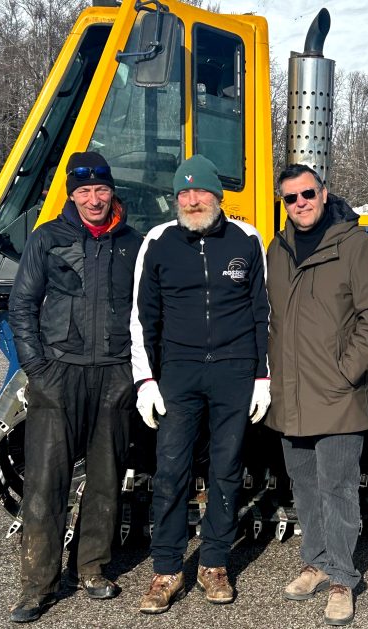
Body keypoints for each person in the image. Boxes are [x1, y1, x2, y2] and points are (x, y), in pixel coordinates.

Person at [7, 152, 143, 623]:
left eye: (100, 189)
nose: (93, 199)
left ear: (112, 191)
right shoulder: (48, 238)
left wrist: (134, 373)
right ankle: (37, 585)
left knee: (106, 480)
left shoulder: (133, 244)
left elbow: (150, 314)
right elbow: (21, 307)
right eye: (83, 191)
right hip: (58, 373)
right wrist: (37, 370)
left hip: (113, 374)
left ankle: (91, 568)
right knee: (45, 483)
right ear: (71, 195)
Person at [131, 154, 270, 614]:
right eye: (184, 193)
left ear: (218, 195)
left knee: (227, 469)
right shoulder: (158, 242)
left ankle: (213, 564)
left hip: (233, 370)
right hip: (179, 371)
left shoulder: (246, 240)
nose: (192, 200)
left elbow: (262, 314)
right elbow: (142, 317)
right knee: (171, 470)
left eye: (201, 192)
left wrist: (261, 376)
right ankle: (167, 570)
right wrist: (146, 379)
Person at [265, 164, 368, 626]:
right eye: (290, 198)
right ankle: (316, 562)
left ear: (323, 193)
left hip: (336, 394)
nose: (300, 203)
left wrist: (349, 368)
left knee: (338, 488)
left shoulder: (352, 244)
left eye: (307, 193)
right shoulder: (276, 250)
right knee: (303, 486)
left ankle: (343, 578)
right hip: (291, 394)